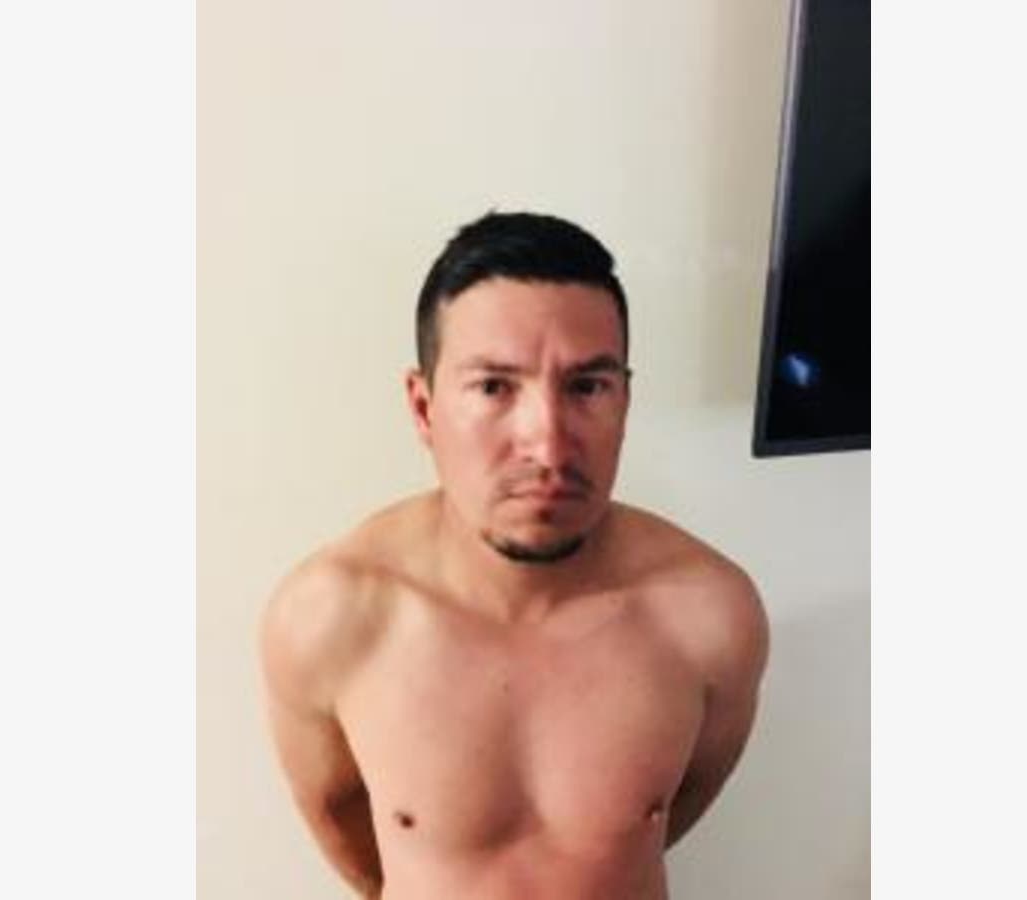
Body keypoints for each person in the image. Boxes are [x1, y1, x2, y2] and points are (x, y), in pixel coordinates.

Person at [259, 211, 769, 899]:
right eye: (495, 387)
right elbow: (340, 820)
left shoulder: (710, 615)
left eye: (587, 387)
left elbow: (679, 806)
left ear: (624, 399)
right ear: (423, 408)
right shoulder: (330, 618)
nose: (548, 446)